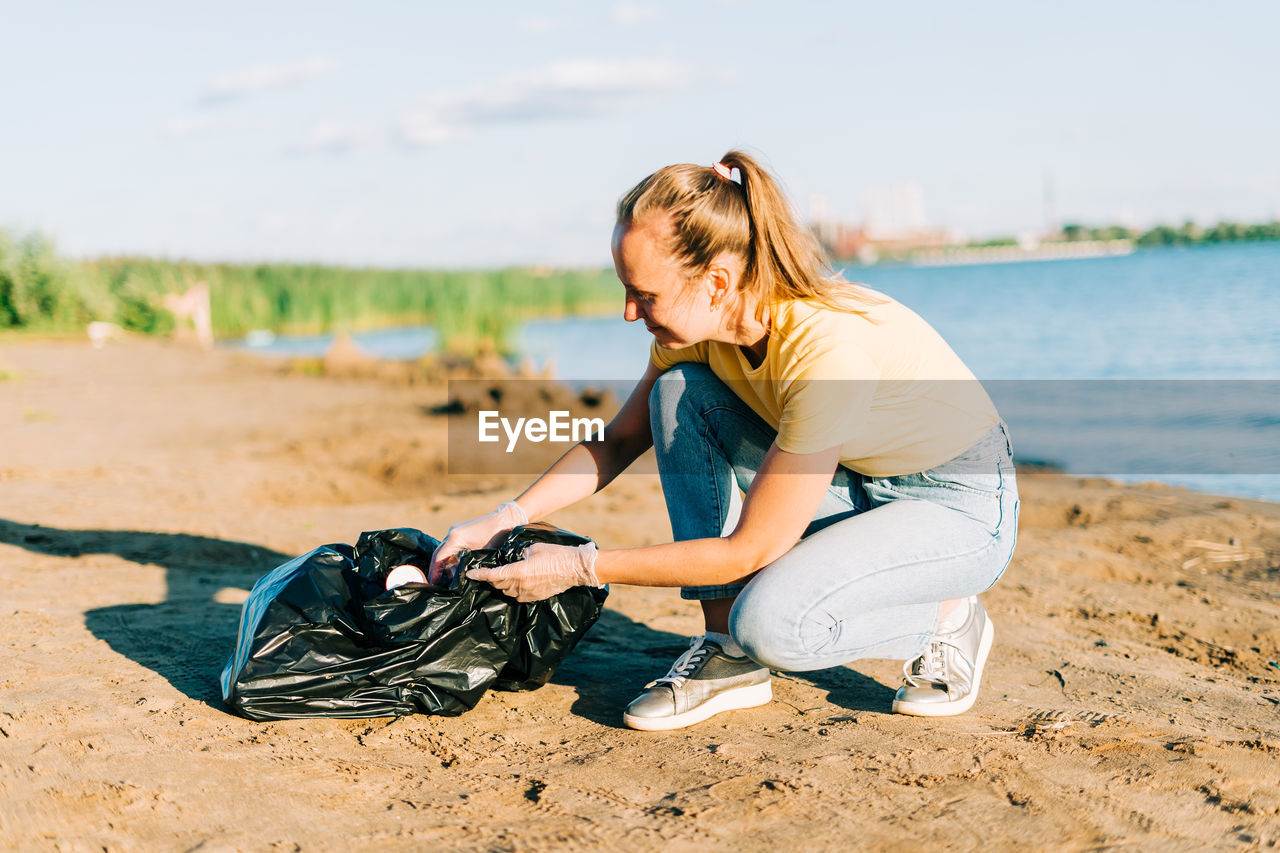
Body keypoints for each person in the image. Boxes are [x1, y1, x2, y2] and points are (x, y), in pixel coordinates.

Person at [429, 151, 1020, 731]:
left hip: (956, 502)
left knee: (773, 625)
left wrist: (581, 566)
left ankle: (947, 616)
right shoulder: (696, 331)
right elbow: (615, 443)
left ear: (716, 281)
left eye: (646, 294)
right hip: (857, 479)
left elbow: (748, 549)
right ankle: (724, 653)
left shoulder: (825, 354)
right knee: (679, 393)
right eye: (625, 290)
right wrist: (507, 517)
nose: (630, 312)